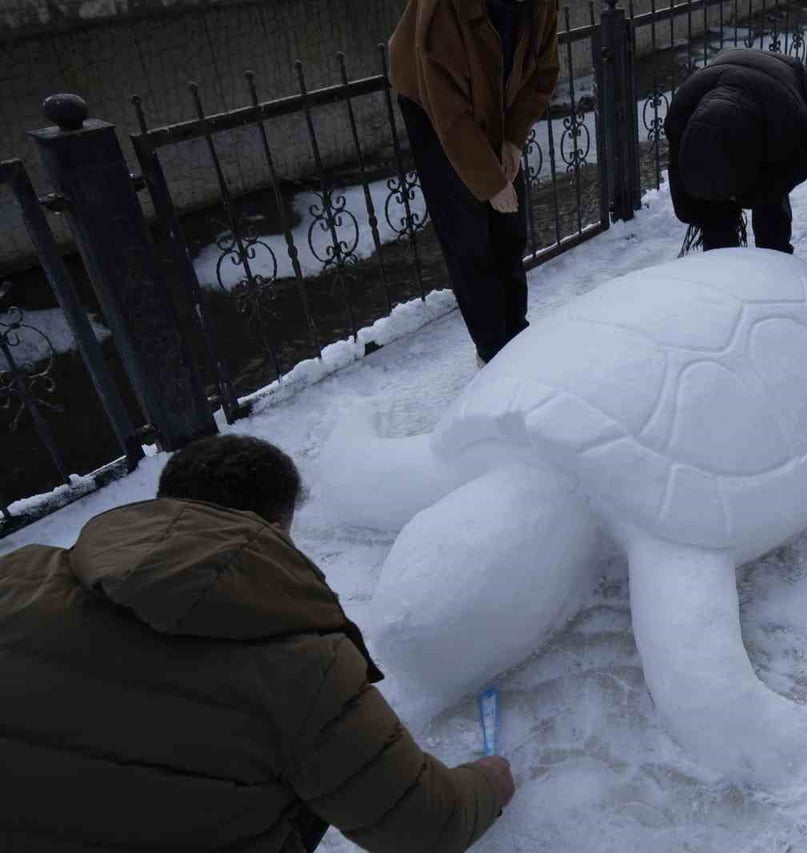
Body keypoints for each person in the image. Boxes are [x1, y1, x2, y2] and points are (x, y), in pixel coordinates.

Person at [0, 434, 515, 852]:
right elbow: (428, 827)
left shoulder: (18, 575)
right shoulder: (299, 664)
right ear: (274, 526)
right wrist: (489, 782)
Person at [388, 0, 560, 365]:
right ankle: (492, 352)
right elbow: (449, 110)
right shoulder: (443, 10)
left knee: (509, 224)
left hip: (491, 89)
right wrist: (490, 182)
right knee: (468, 236)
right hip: (433, 105)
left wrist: (512, 139)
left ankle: (517, 333)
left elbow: (543, 72)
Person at [664, 48, 807, 255]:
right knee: (714, 199)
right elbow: (678, 173)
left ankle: (775, 255)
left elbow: (797, 167)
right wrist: (696, 210)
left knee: (770, 205)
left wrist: (748, 198)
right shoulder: (681, 115)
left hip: (786, 82)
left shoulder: (791, 123)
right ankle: (721, 257)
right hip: (728, 72)